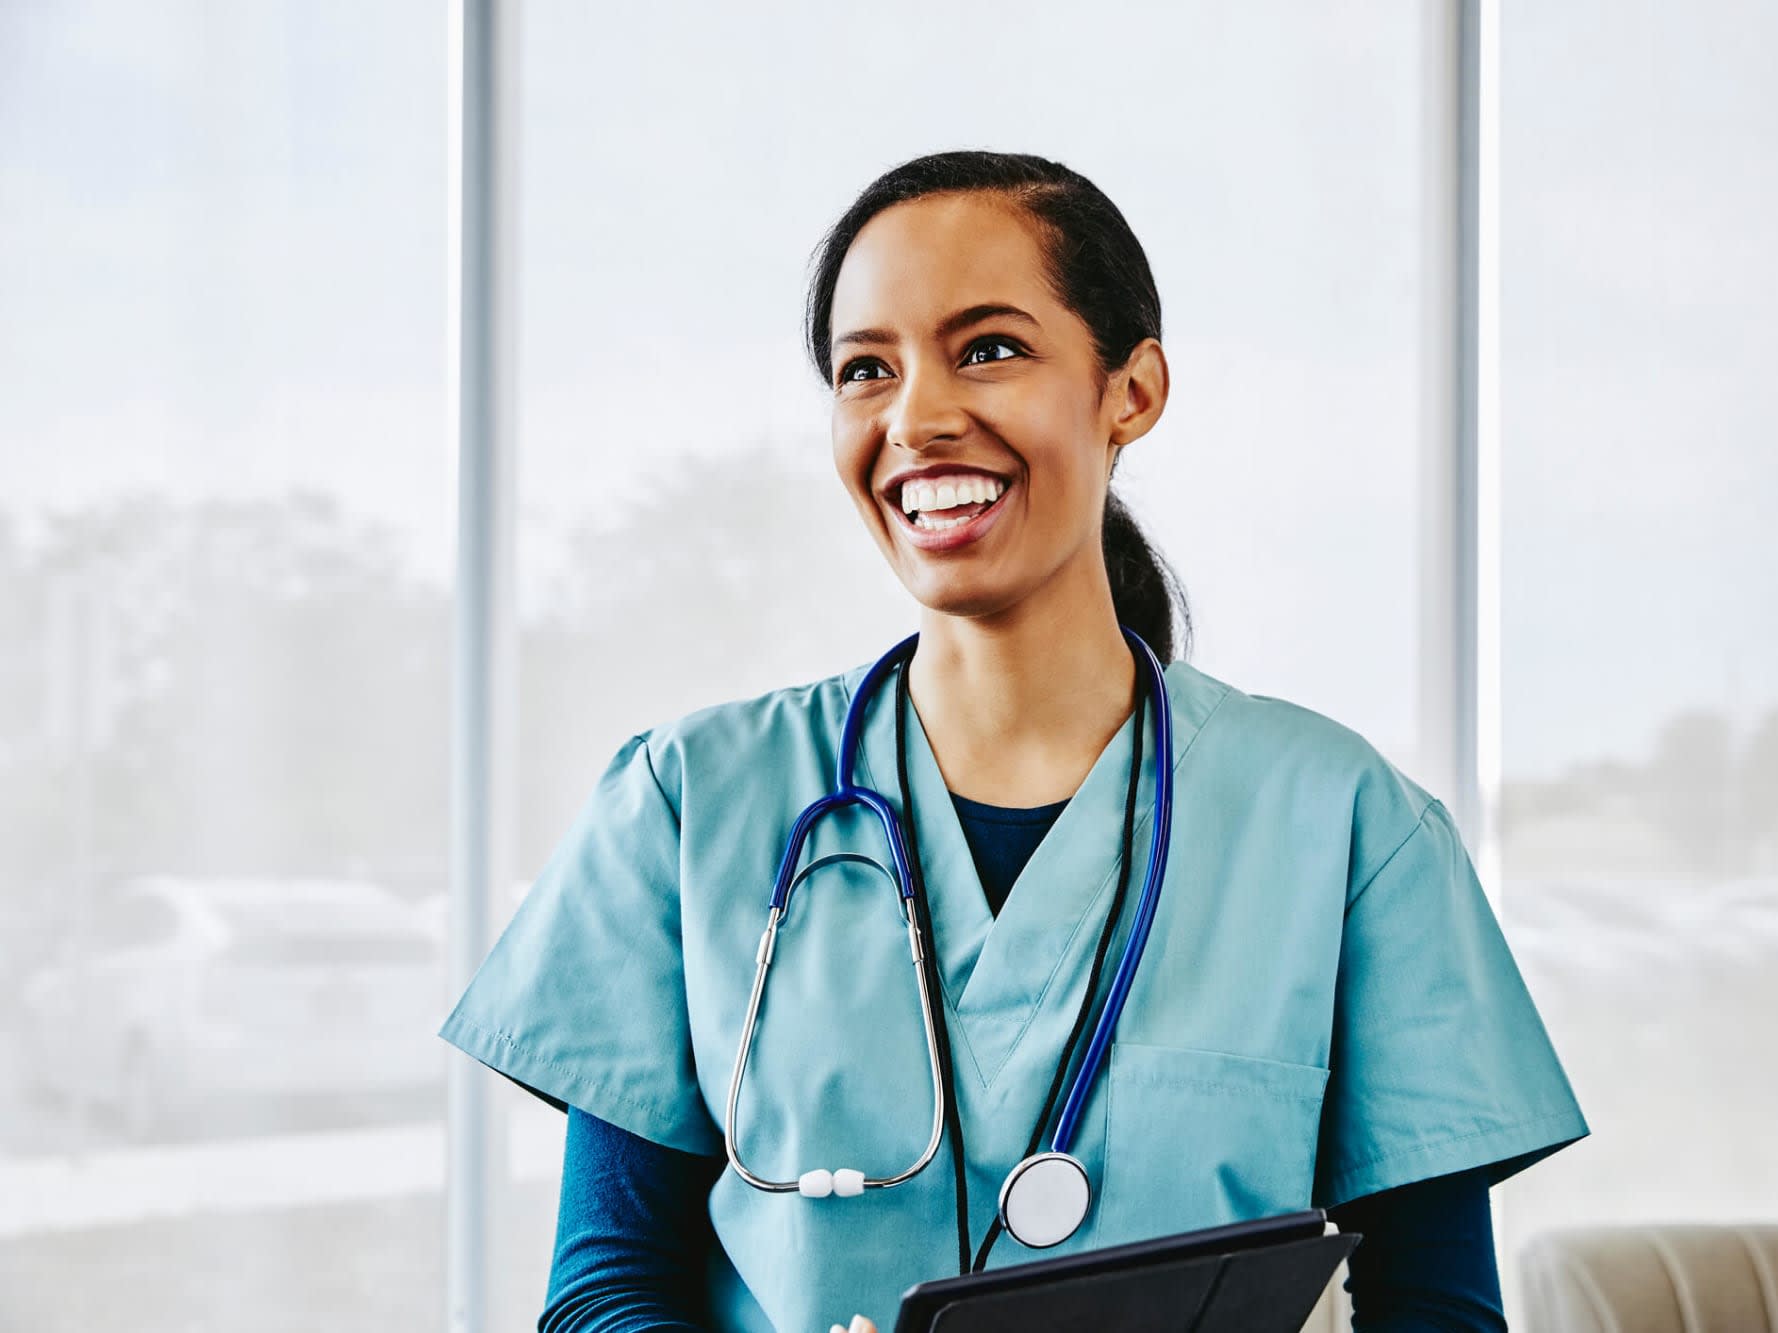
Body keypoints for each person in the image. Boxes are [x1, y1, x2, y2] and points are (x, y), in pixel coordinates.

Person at [440, 150, 1588, 1333]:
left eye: (987, 348)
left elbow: (1436, 1312)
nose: (917, 418)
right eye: (865, 369)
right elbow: (603, 1291)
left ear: (1129, 390)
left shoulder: (1347, 828)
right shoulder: (685, 803)